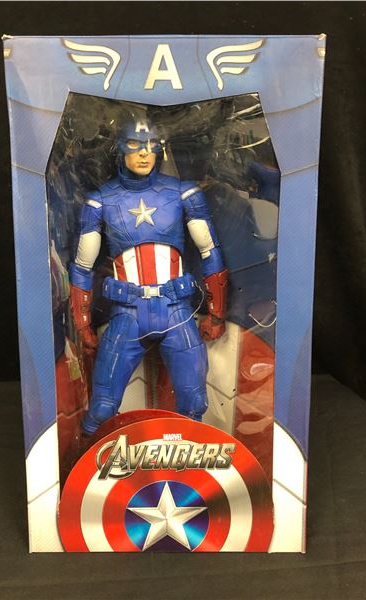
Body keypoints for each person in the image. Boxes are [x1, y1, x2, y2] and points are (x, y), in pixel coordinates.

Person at [69, 118, 228, 436]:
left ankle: (187, 463)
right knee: (101, 408)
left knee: (194, 404)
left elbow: (210, 252)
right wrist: (82, 323)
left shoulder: (183, 193)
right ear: (120, 149)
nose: (144, 153)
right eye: (134, 145)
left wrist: (217, 313)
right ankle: (83, 460)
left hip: (176, 312)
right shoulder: (101, 201)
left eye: (151, 146)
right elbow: (82, 266)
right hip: (126, 315)